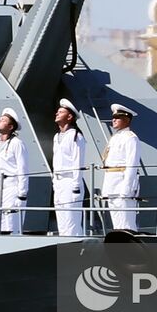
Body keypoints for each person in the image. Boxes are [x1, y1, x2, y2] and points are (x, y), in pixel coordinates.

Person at [0, 107, 29, 235]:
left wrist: (22, 195)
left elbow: (23, 169)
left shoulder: (17, 143)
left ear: (11, 126)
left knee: (11, 228)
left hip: (12, 190)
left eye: (3, 120)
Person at [102, 104, 140, 231]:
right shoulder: (114, 138)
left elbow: (132, 164)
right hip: (112, 185)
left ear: (127, 120)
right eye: (113, 117)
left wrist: (127, 188)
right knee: (117, 225)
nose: (114, 120)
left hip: (122, 185)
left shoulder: (131, 138)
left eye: (117, 117)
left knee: (126, 224)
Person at [52, 98, 86, 236]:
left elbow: (78, 161)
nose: (57, 113)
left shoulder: (76, 136)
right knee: (61, 221)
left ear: (70, 116)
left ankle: (75, 251)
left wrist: (76, 185)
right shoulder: (57, 136)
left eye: (61, 112)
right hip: (59, 182)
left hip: (70, 181)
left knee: (71, 221)